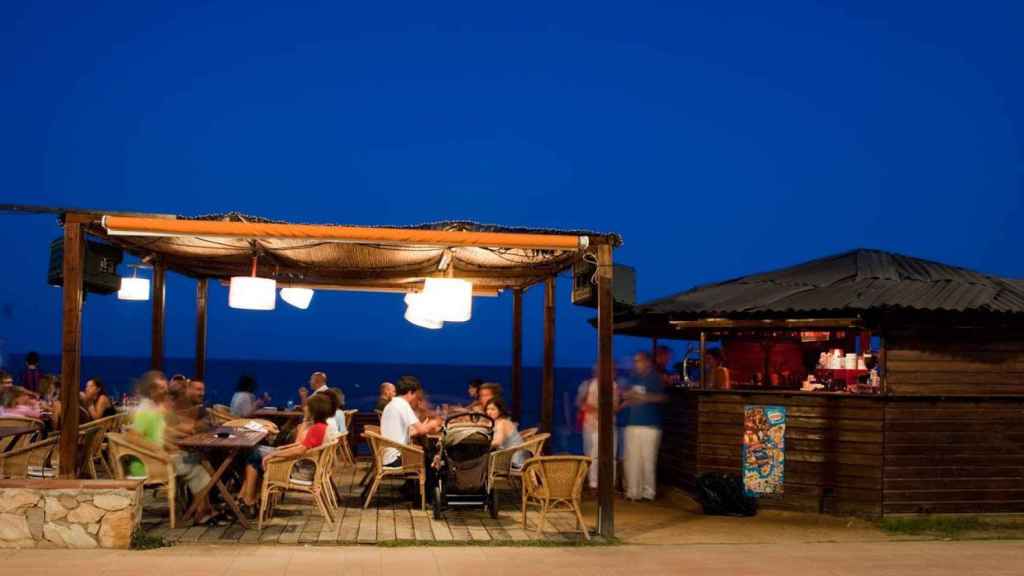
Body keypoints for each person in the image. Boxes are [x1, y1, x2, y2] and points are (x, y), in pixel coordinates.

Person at [127, 371, 218, 524]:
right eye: (162, 388)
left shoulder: (153, 408)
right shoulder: (145, 411)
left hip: (158, 459)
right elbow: (133, 438)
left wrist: (172, 445)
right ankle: (201, 512)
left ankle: (203, 510)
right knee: (200, 467)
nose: (166, 390)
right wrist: (159, 452)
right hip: (149, 464)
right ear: (152, 391)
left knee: (201, 461)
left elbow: (159, 434)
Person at [237, 393, 334, 516]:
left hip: (298, 469)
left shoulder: (317, 429)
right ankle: (247, 499)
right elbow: (300, 444)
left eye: (307, 406)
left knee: (254, 454)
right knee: (256, 455)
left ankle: (248, 501)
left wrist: (273, 455)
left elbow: (300, 450)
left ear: (315, 409)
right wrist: (280, 450)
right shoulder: (321, 426)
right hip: (303, 465)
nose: (305, 408)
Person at [622, 351, 667, 501]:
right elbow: (626, 394)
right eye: (634, 361)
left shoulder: (655, 378)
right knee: (632, 460)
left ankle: (649, 492)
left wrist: (644, 397)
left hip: (650, 425)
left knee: (647, 460)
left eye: (639, 361)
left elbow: (663, 398)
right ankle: (633, 492)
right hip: (632, 423)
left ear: (647, 362)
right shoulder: (634, 377)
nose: (636, 364)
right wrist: (629, 395)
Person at [577, 365, 622, 490]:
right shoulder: (588, 384)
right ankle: (593, 484)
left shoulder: (614, 386)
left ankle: (609, 484)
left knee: (611, 456)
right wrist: (596, 410)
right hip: (592, 426)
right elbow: (580, 402)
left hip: (609, 426)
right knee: (592, 455)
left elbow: (616, 405)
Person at [380, 375, 440, 467]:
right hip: (396, 459)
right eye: (415, 394)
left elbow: (404, 432)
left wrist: (423, 426)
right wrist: (435, 422)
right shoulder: (403, 405)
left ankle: (413, 481)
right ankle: (429, 481)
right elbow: (422, 430)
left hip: (387, 456)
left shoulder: (392, 404)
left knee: (425, 450)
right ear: (410, 392)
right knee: (430, 455)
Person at [485, 398, 528, 469]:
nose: (489, 412)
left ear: (500, 410)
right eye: (487, 409)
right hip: (507, 456)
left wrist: (483, 446)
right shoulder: (498, 421)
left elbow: (497, 442)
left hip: (513, 461)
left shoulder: (502, 423)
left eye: (493, 409)